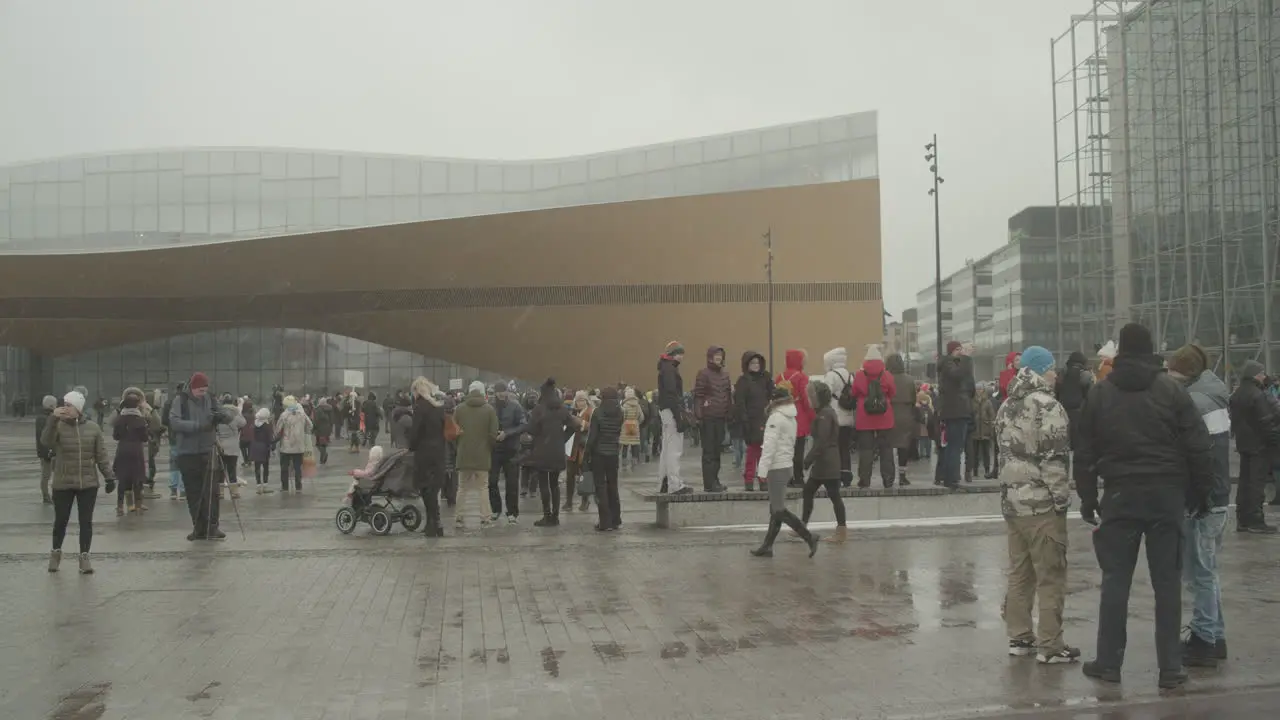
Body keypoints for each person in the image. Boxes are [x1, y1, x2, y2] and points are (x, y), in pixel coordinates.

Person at [1076, 323, 1212, 690]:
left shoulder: (1101, 393)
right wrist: (1201, 494)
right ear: (1152, 350)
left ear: (1121, 351)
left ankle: (1108, 663)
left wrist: (1088, 498)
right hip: (1167, 495)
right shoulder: (1171, 390)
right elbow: (1198, 445)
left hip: (1120, 495)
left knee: (1115, 580)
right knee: (1167, 582)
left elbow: (1085, 450)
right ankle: (1170, 667)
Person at [995, 346, 1079, 665]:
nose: (1056, 374)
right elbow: (1054, 460)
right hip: (1041, 504)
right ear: (1040, 370)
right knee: (1051, 574)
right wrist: (1061, 501)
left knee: (1020, 573)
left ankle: (1020, 637)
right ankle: (1051, 645)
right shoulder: (1048, 406)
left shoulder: (1006, 405)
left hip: (1012, 503)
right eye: (1052, 368)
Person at [1167, 343, 1232, 666]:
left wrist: (1195, 499)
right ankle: (1214, 634)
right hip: (1218, 497)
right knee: (1209, 569)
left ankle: (1205, 638)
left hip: (1203, 500)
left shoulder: (1194, 402)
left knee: (1199, 573)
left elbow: (1195, 456)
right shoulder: (1215, 395)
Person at [44, 391, 114, 574]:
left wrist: (109, 476)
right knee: (61, 521)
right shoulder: (57, 426)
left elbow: (101, 455)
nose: (65, 408)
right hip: (63, 482)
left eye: (69, 405)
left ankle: (84, 558)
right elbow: (46, 442)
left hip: (87, 483)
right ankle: (55, 554)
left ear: (78, 408)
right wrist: (52, 419)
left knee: (86, 522)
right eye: (64, 404)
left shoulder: (93, 428)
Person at [750, 386, 820, 558]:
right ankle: (767, 546)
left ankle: (809, 537)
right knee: (775, 509)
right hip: (785, 465)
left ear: (773, 401)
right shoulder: (791, 417)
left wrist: (762, 469)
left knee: (779, 509)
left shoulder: (775, 417)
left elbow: (769, 446)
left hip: (776, 467)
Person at [169, 373, 226, 541]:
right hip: (187, 452)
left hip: (208, 450)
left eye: (205, 390)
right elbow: (174, 422)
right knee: (193, 492)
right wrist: (198, 426)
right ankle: (198, 527)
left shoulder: (211, 399)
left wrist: (223, 416)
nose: (203, 393)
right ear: (193, 388)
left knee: (212, 491)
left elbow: (226, 414)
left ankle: (213, 526)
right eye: (200, 390)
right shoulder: (180, 401)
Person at [1229, 359, 1280, 534]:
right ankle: (1255, 520)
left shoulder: (1237, 394)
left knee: (1244, 483)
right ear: (1254, 374)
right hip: (1260, 445)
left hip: (1244, 443)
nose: (1264, 376)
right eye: (1261, 373)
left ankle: (1242, 519)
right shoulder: (1257, 394)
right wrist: (1273, 441)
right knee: (1257, 484)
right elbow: (1265, 421)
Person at [527, 378, 579, 526]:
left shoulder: (538, 409)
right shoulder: (562, 409)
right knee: (554, 484)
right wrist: (562, 438)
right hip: (557, 450)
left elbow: (531, 429)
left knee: (543, 484)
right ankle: (555, 517)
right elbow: (574, 425)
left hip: (542, 450)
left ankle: (546, 515)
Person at [802, 380, 847, 543]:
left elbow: (821, 441)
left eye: (811, 395)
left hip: (827, 462)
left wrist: (807, 460)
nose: (808, 399)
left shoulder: (825, 414)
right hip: (825, 462)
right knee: (809, 491)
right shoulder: (824, 412)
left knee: (834, 495)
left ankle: (841, 531)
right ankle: (802, 526)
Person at [453, 381, 499, 529]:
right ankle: (485, 518)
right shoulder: (489, 410)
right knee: (483, 488)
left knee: (462, 488)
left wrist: (459, 447)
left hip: (463, 454)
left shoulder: (459, 409)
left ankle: (459, 518)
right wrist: (489, 448)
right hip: (482, 455)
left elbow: (453, 433)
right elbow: (493, 434)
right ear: (483, 392)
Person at [851, 345, 898, 489]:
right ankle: (888, 479)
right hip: (884, 416)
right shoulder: (887, 375)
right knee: (886, 449)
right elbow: (892, 392)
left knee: (866, 450)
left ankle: (864, 480)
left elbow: (853, 393)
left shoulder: (859, 375)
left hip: (864, 416)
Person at [409, 377, 448, 537]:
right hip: (439, 452)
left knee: (426, 489)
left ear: (417, 391)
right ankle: (435, 523)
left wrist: (411, 446)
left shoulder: (420, 408)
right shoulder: (438, 407)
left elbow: (415, 433)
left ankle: (432, 523)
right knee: (434, 488)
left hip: (424, 453)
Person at [937, 341, 976, 489]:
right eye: (958, 349)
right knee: (954, 446)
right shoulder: (949, 364)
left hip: (959, 409)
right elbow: (958, 376)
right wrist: (966, 358)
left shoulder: (954, 365)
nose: (961, 352)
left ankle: (951, 477)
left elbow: (970, 385)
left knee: (955, 445)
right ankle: (951, 478)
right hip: (955, 410)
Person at [693, 345, 732, 492]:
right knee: (709, 451)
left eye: (720, 355)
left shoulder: (725, 374)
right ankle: (709, 483)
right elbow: (698, 395)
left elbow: (728, 395)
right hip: (708, 417)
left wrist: (729, 412)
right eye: (716, 355)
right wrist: (699, 416)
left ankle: (715, 480)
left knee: (717, 451)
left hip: (721, 416)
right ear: (710, 357)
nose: (718, 358)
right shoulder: (703, 374)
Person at [113, 389, 158, 516]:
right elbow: (144, 437)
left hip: (122, 450)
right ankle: (138, 505)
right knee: (137, 478)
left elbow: (115, 436)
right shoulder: (140, 420)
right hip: (136, 451)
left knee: (122, 478)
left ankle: (121, 506)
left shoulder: (119, 419)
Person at [586, 386, 624, 531]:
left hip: (599, 454)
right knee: (613, 486)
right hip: (613, 453)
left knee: (600, 487)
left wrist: (587, 455)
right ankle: (616, 519)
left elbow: (593, 436)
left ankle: (605, 522)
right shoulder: (620, 413)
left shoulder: (598, 412)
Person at [734, 351, 773, 492]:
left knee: (765, 452)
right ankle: (749, 479)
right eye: (752, 363)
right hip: (750, 420)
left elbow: (771, 394)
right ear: (747, 364)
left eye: (757, 363)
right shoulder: (743, 381)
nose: (756, 365)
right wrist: (744, 420)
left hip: (765, 418)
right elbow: (740, 402)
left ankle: (763, 479)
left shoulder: (765, 378)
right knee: (752, 452)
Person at [490, 382, 528, 523]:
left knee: (511, 483)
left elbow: (523, 424)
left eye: (503, 391)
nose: (501, 394)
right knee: (491, 481)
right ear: (494, 392)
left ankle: (512, 512)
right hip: (494, 449)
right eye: (498, 391)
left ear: (507, 392)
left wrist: (507, 433)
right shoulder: (490, 406)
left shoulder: (515, 406)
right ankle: (496, 509)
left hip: (511, 448)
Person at [777, 349, 815, 488]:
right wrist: (813, 417)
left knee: (786, 451)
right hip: (799, 417)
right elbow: (806, 400)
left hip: (782, 416)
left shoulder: (780, 377)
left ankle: (787, 478)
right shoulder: (801, 377)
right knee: (798, 450)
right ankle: (798, 478)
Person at [656, 342, 690, 494]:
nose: (682, 356)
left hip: (665, 411)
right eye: (679, 353)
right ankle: (674, 484)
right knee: (674, 449)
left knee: (667, 447)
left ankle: (664, 481)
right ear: (673, 354)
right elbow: (672, 394)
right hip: (671, 411)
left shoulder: (665, 367)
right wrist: (679, 415)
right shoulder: (670, 369)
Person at [821, 347, 857, 488]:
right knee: (845, 447)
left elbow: (825, 394)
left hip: (835, 417)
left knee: (833, 448)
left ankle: (834, 475)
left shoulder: (831, 375)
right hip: (848, 417)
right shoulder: (850, 375)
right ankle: (846, 475)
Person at [1055, 351, 1094, 464]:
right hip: (1079, 412)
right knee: (1079, 445)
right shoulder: (1085, 375)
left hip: (1063, 412)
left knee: (1065, 444)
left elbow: (1056, 392)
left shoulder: (1062, 373)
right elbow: (1090, 395)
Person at [886, 353, 918, 486]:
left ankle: (889, 476)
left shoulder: (886, 378)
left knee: (888, 446)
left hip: (889, 413)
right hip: (906, 414)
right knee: (903, 447)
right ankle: (902, 475)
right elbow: (914, 399)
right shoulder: (910, 380)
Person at [275, 395, 313, 494]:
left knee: (284, 467)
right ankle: (298, 487)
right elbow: (310, 425)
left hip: (286, 446)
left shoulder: (284, 415)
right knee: (297, 468)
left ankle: (285, 487)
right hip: (299, 445)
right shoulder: (302, 414)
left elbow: (278, 429)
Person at [214, 393, 247, 501]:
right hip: (233, 446)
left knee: (220, 470)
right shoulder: (235, 414)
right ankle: (234, 492)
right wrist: (239, 412)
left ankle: (220, 492)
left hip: (220, 446)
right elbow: (243, 423)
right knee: (232, 469)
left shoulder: (218, 414)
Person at [566, 391, 594, 510]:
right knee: (570, 476)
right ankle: (569, 502)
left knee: (584, 476)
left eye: (582, 400)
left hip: (584, 448)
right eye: (578, 400)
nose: (580, 403)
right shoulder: (573, 412)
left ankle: (585, 501)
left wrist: (581, 423)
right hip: (572, 448)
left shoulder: (591, 412)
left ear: (586, 401)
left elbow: (593, 427)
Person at [969, 385, 996, 481]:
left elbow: (992, 415)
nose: (979, 391)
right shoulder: (972, 401)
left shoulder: (987, 402)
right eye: (977, 389)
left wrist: (989, 424)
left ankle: (987, 470)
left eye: (980, 389)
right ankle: (975, 471)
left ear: (983, 390)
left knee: (986, 453)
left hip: (985, 431)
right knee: (974, 453)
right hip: (975, 431)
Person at [36, 394, 57, 504]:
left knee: (48, 474)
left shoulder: (42, 417)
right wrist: (49, 451)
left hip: (45, 451)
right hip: (47, 452)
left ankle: (48, 495)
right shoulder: (46, 418)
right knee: (47, 474)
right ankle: (46, 496)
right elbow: (45, 437)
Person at [249, 407, 276, 494]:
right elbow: (270, 438)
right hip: (264, 447)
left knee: (257, 467)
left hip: (255, 446)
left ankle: (258, 486)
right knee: (265, 467)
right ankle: (265, 486)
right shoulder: (267, 426)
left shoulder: (254, 424)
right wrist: (272, 448)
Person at [619, 387, 646, 473]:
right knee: (634, 445)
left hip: (626, 425)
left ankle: (623, 462)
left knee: (625, 445)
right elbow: (641, 417)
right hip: (634, 425)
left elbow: (622, 417)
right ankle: (634, 462)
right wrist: (637, 423)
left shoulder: (624, 405)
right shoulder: (637, 405)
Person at [312, 398, 333, 465]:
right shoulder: (329, 409)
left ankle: (324, 455)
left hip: (320, 429)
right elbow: (332, 419)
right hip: (327, 429)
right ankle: (322, 459)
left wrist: (313, 428)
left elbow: (316, 420)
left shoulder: (318, 410)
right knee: (323, 444)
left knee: (319, 444)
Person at [916, 389, 934, 461]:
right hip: (923, 427)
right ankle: (923, 453)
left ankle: (927, 453)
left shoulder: (927, 408)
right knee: (923, 441)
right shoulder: (922, 408)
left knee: (926, 441)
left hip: (926, 427)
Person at [238, 398, 256, 468]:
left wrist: (238, 431)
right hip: (252, 434)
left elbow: (240, 424)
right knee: (250, 447)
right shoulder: (253, 414)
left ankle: (246, 460)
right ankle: (249, 460)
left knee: (242, 446)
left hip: (244, 435)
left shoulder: (243, 415)